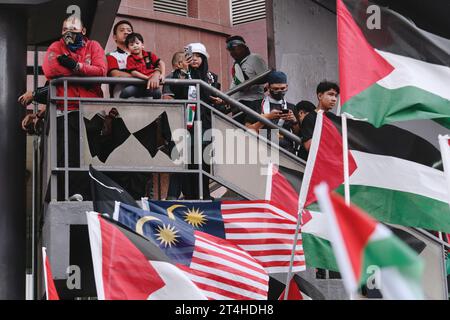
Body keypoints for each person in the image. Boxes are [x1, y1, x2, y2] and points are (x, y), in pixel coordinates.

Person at [38, 15, 107, 200]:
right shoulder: (56, 46)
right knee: (65, 156)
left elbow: (101, 71)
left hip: (90, 110)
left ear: (83, 31)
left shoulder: (93, 46)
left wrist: (76, 66)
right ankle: (64, 195)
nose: (69, 34)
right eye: (65, 30)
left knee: (88, 157)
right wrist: (85, 71)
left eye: (73, 30)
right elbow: (51, 71)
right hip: (64, 109)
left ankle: (83, 195)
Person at [183, 42, 227, 200]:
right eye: (191, 56)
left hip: (207, 123)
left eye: (198, 56)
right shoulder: (181, 75)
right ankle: (191, 196)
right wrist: (184, 72)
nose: (194, 59)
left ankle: (204, 194)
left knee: (205, 159)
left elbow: (216, 99)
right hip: (188, 123)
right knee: (190, 161)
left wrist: (220, 102)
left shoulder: (211, 77)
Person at [244, 71, 299, 154]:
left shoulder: (291, 107)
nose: (280, 91)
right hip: (262, 150)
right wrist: (267, 118)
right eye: (276, 89)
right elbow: (248, 131)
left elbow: (298, 134)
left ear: (287, 87)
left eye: (283, 88)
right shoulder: (256, 105)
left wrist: (294, 120)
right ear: (268, 87)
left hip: (286, 152)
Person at [163, 51, 192, 199]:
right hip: (175, 125)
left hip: (192, 125)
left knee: (189, 161)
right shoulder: (170, 78)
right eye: (188, 60)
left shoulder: (193, 77)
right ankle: (172, 196)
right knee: (179, 160)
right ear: (179, 64)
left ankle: (188, 194)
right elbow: (167, 100)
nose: (191, 62)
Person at [226, 35, 268, 124]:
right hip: (237, 103)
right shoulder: (236, 63)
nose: (232, 52)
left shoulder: (255, 58)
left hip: (252, 102)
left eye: (234, 48)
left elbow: (265, 77)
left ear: (243, 47)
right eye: (230, 50)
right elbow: (236, 82)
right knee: (238, 133)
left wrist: (248, 84)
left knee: (251, 132)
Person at [299, 81, 340, 159]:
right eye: (330, 94)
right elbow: (309, 147)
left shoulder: (334, 119)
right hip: (310, 165)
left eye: (336, 96)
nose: (334, 99)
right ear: (320, 96)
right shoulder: (310, 118)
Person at [120, 32, 165, 99]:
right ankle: (121, 107)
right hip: (137, 86)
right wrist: (147, 78)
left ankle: (156, 108)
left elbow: (161, 63)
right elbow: (133, 72)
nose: (135, 46)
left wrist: (162, 74)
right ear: (128, 48)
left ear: (142, 45)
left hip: (149, 86)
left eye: (137, 43)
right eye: (132, 45)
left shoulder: (149, 55)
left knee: (158, 92)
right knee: (126, 91)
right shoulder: (130, 58)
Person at [106, 20, 134, 97]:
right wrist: (145, 77)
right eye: (122, 30)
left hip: (147, 100)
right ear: (115, 37)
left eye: (129, 30)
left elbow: (156, 69)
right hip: (122, 102)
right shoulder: (111, 55)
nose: (126, 32)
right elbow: (116, 75)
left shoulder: (144, 55)